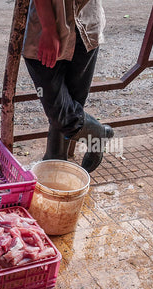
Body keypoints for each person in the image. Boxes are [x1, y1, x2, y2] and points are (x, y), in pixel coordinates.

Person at [22, 0, 114, 173]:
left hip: (87, 25)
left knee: (73, 99)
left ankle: (54, 161)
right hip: (45, 27)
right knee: (58, 108)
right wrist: (49, 28)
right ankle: (97, 134)